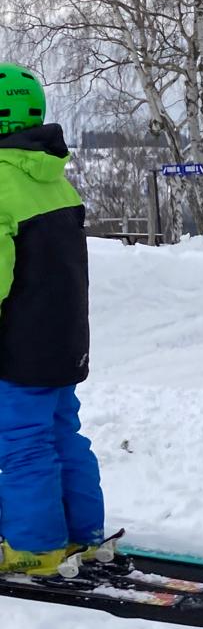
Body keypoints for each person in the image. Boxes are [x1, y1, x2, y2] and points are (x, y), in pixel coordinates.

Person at [0, 63, 106, 577]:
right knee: (64, 433)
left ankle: (33, 546)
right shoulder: (51, 176)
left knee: (22, 442)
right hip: (64, 341)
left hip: (19, 345)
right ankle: (84, 533)